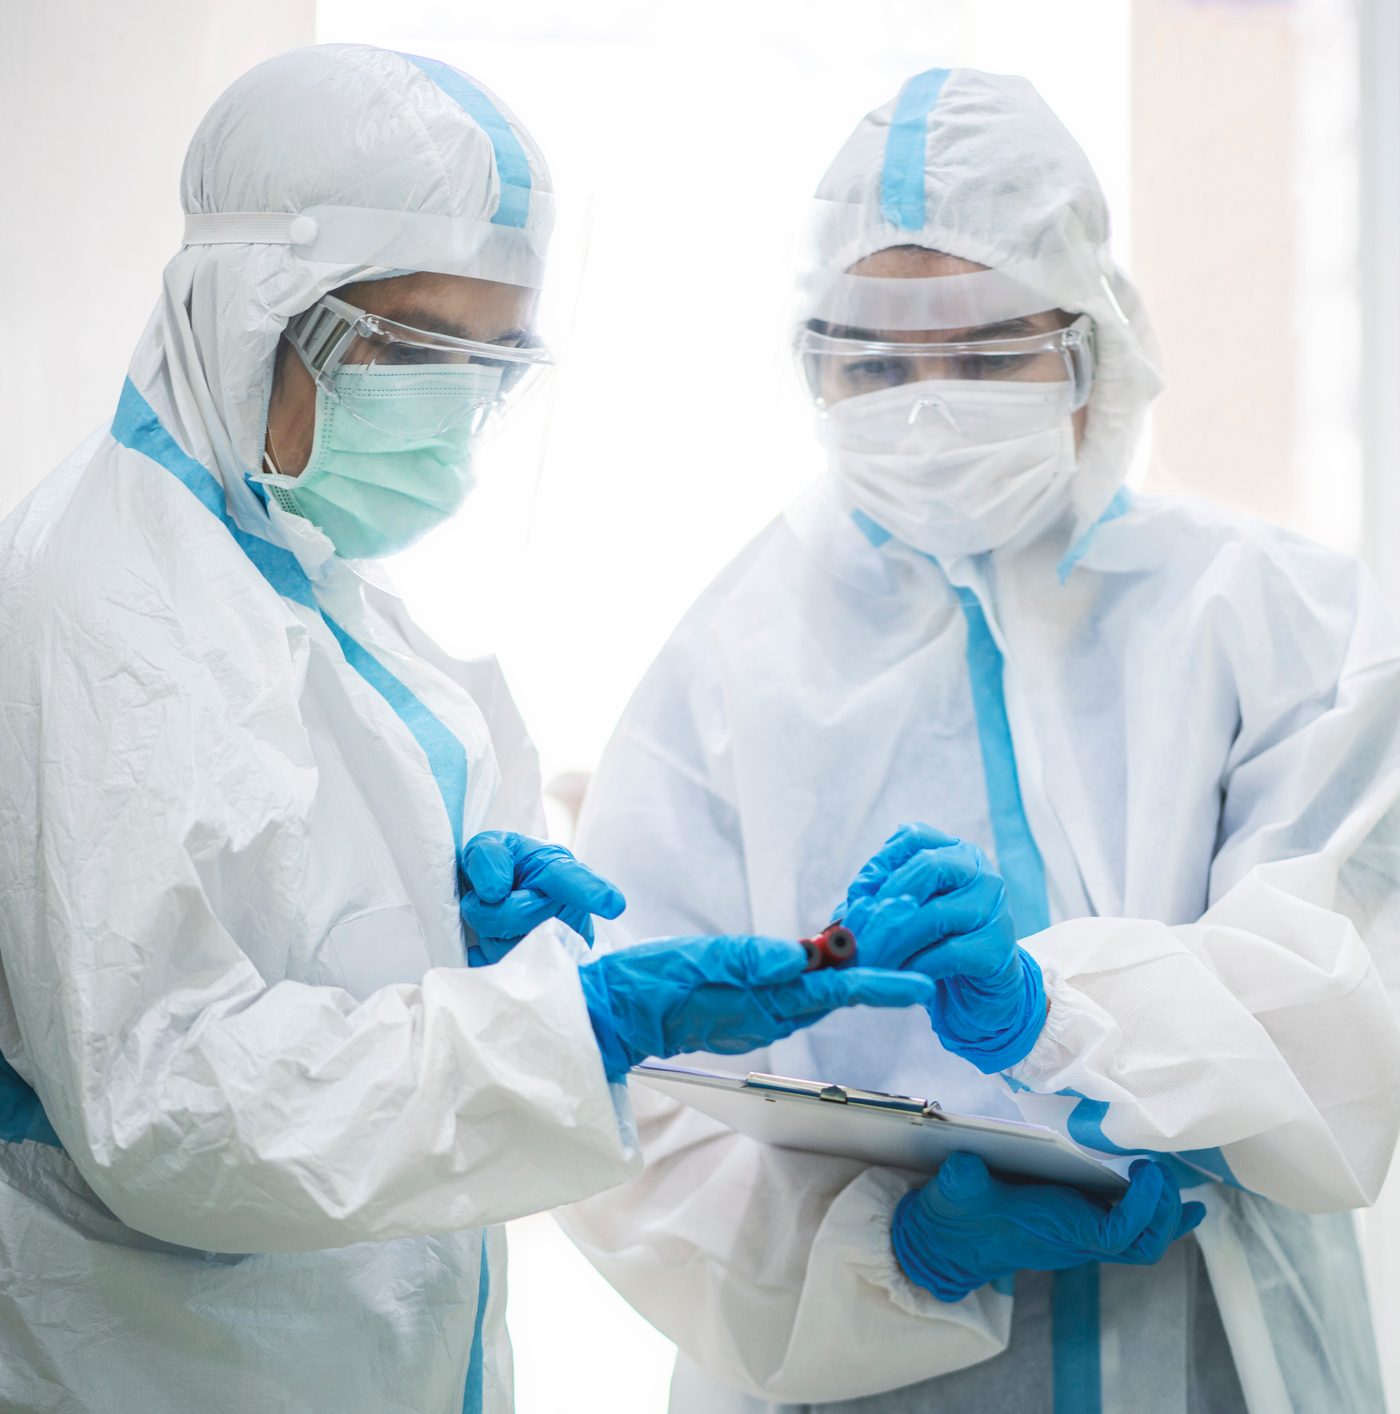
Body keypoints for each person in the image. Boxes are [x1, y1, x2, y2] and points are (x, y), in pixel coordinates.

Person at [0, 45, 929, 1414]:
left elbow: (263, 939)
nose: (460, 404)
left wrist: (432, 919)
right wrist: (582, 1027)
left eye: (497, 358)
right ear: (259, 310)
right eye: (425, 346)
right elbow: (169, 1098)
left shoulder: (289, 571)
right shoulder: (112, 599)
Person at [559, 68, 1400, 1412]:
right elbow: (632, 1107)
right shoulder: (726, 671)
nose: (925, 403)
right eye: (876, 360)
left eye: (981, 352)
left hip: (1212, 1353)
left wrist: (1053, 1013)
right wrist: (892, 1254)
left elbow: (1342, 1025)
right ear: (813, 367)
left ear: (1091, 348)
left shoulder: (1278, 623)